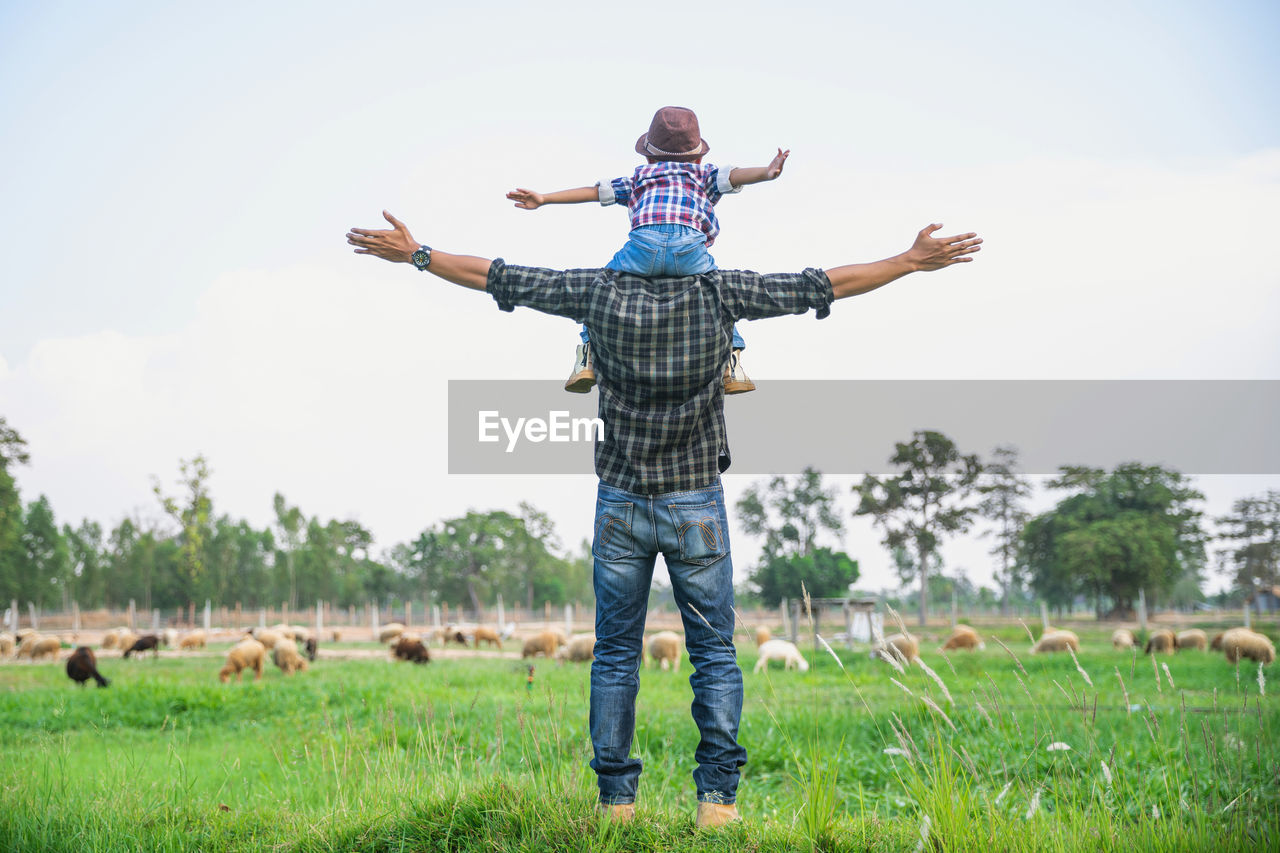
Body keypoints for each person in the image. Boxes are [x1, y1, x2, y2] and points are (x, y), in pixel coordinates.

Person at [345, 210, 980, 828]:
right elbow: (823, 284)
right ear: (698, 224)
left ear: (634, 225)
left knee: (615, 658)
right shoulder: (721, 292)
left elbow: (500, 277)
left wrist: (419, 254)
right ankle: (718, 804)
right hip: (695, 503)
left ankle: (617, 807)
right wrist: (908, 261)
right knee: (715, 657)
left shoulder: (595, 291)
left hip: (621, 501)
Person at [506, 106, 789, 394]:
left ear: (648, 155)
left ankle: (587, 355)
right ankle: (732, 364)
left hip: (644, 247)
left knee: (601, 287)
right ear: (700, 154)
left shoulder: (639, 178)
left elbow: (593, 192)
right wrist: (768, 172)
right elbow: (738, 176)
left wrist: (544, 199)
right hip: (689, 250)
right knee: (720, 296)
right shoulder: (704, 175)